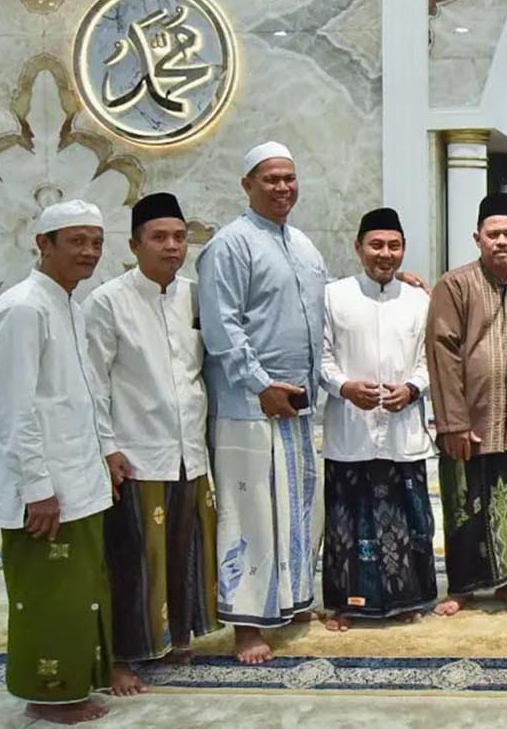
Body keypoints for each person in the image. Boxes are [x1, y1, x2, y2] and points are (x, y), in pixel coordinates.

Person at [0, 200, 127, 724]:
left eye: (96, 241)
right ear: (43, 244)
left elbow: (87, 391)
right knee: (48, 595)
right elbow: (12, 410)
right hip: (46, 489)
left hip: (80, 475)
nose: (89, 252)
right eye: (77, 241)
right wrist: (36, 488)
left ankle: (73, 686)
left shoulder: (69, 304)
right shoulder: (22, 308)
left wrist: (107, 449)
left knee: (79, 590)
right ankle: (47, 696)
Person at [196, 142, 326, 664]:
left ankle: (291, 600)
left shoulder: (303, 246)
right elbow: (222, 327)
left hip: (297, 407)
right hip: (249, 410)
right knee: (249, 515)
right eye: (270, 179)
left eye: (289, 178)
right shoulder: (230, 245)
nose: (282, 187)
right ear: (247, 185)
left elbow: (320, 308)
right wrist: (259, 385)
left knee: (296, 512)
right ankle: (246, 624)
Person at [83, 193, 217, 695]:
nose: (172, 247)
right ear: (135, 243)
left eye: (180, 237)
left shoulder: (196, 297)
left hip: (190, 451)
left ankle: (173, 636)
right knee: (132, 557)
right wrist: (106, 446)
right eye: (159, 237)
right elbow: (94, 382)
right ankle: (121, 656)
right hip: (137, 452)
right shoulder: (108, 302)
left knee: (184, 551)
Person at [319, 208, 439, 631]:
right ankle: (346, 604)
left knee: (407, 514)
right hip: (351, 425)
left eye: (394, 245)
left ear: (403, 249)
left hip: (402, 426)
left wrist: (413, 389)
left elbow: (430, 359)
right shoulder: (334, 295)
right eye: (376, 245)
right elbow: (321, 355)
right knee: (349, 519)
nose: (385, 254)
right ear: (358, 248)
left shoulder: (420, 300)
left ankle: (410, 598)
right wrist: (343, 386)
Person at [426, 192, 507, 615]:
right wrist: (453, 423)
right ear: (477, 237)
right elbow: (442, 354)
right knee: (465, 504)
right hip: (470, 421)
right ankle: (461, 585)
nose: (501, 242)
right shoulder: (454, 285)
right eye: (493, 234)